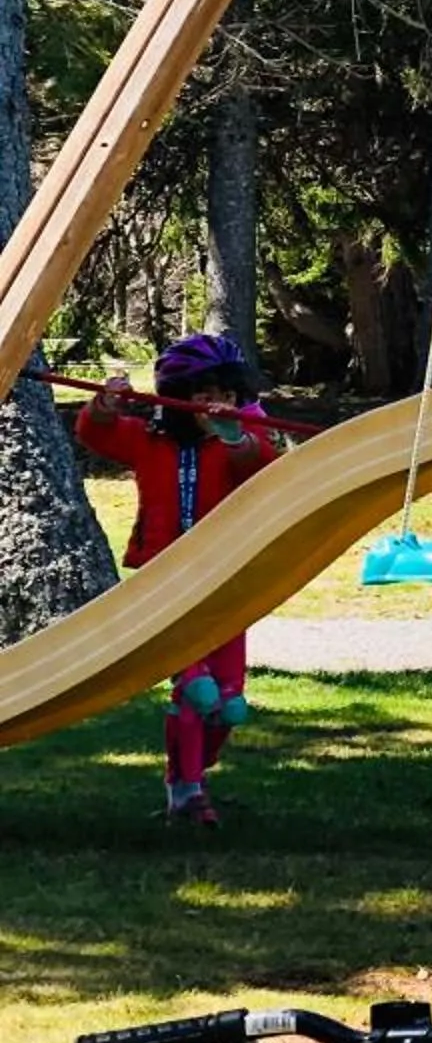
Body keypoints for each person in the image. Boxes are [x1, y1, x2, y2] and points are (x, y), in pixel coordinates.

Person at [75, 332, 287, 825]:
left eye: (227, 394)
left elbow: (260, 466)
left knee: (229, 705)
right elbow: (96, 435)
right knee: (197, 691)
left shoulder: (238, 443)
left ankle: (194, 771)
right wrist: (104, 406)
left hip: (224, 581)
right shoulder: (149, 440)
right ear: (177, 396)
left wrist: (233, 435)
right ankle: (187, 792)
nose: (216, 403)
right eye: (203, 394)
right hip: (166, 582)